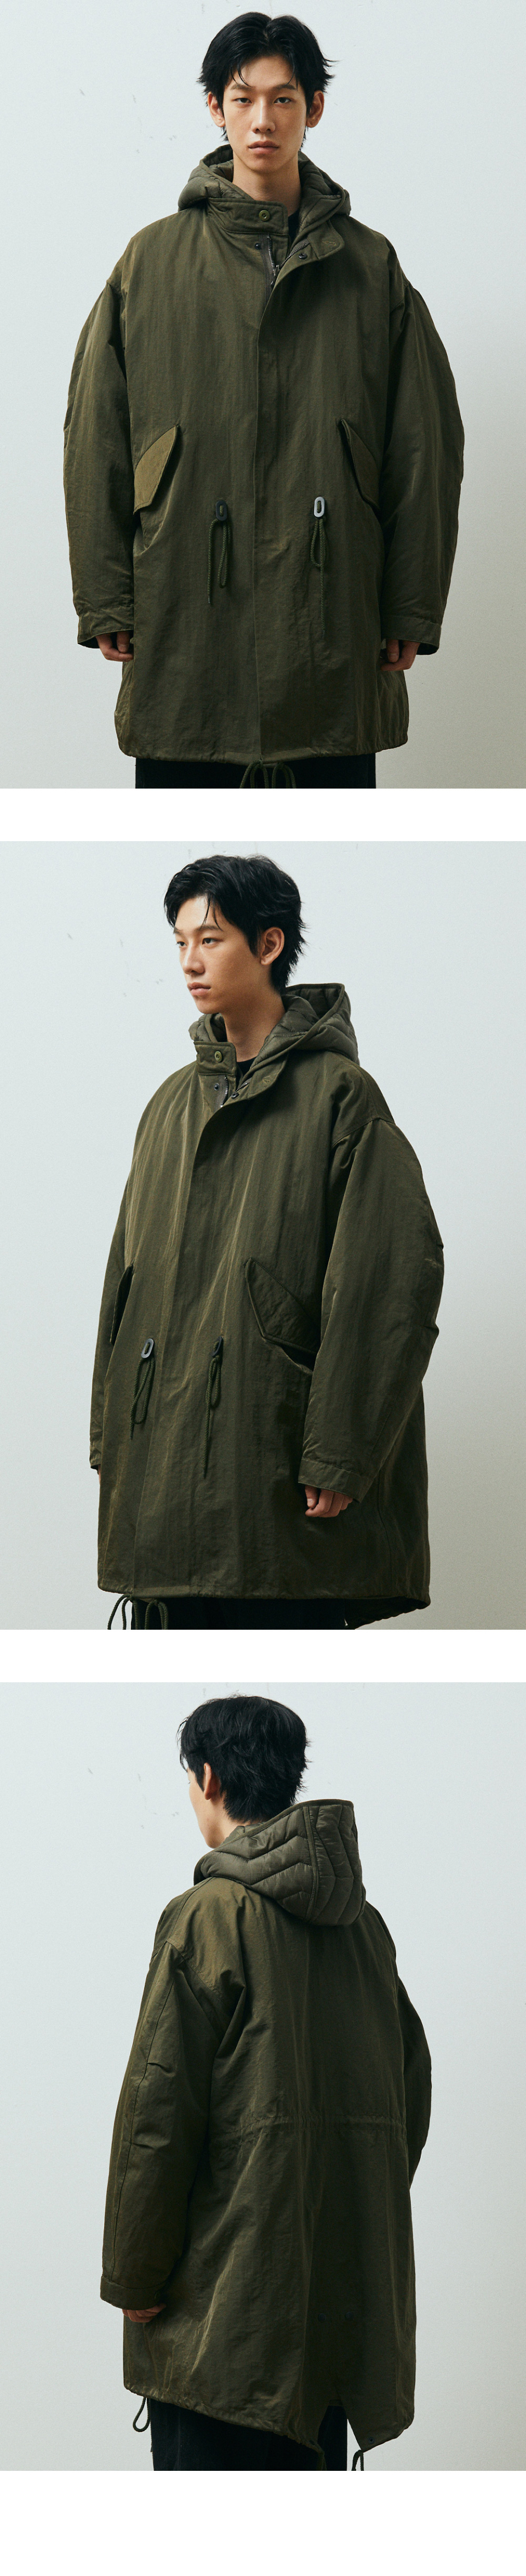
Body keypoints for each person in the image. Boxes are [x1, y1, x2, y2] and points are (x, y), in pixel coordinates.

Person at [64, 13, 464, 790]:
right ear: (216, 107)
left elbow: (424, 446)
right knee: (183, 829)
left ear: (315, 108)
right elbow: (95, 438)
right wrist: (106, 596)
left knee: (333, 832)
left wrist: (411, 606)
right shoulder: (149, 263)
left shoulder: (370, 268)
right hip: (185, 616)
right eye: (244, 98)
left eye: (284, 99)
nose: (263, 120)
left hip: (331, 619)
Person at [90, 853, 444, 1628]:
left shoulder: (342, 1099)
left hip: (275, 1480)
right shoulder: (169, 1106)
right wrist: (111, 1439)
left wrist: (341, 1452)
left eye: (211, 939)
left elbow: (389, 1285)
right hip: (162, 1490)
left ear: (270, 944)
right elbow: (126, 1281)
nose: (189, 962)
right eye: (180, 941)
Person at [101, 1693, 432, 2471]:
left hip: (226, 2325)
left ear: (208, 1779)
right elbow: (408, 2096)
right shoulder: (365, 1929)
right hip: (336, 2316)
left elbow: (158, 2115)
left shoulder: (205, 1917)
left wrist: (135, 2276)